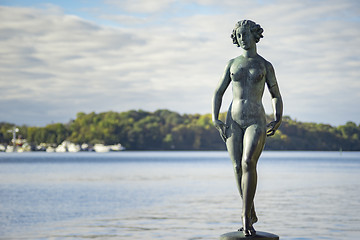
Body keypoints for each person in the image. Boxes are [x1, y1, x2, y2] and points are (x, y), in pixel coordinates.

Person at [212, 20, 283, 236]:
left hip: (256, 120)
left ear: (254, 35)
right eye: (238, 36)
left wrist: (278, 117)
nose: (242, 39)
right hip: (233, 121)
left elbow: (276, 95)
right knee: (236, 167)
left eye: (245, 34)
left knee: (247, 161)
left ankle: (245, 219)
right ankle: (250, 210)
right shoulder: (232, 64)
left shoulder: (265, 65)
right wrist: (215, 118)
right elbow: (218, 92)